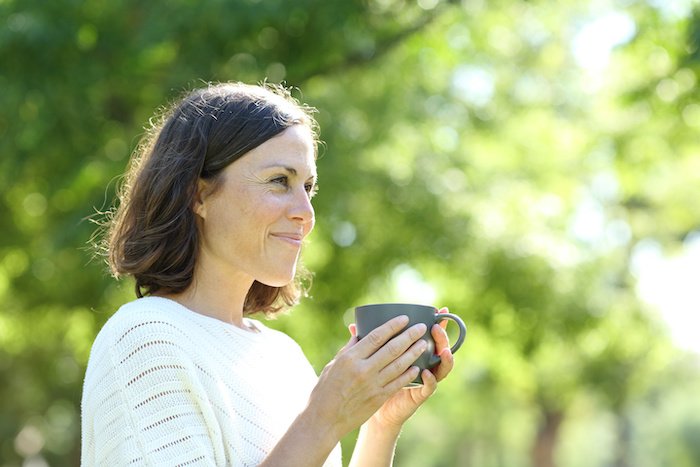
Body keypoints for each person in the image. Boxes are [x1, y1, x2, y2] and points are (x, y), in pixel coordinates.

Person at [81, 82, 455, 466]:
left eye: (308, 187)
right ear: (198, 195)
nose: (306, 213)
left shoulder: (283, 358)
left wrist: (379, 422)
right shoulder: (144, 341)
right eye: (280, 181)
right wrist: (324, 417)